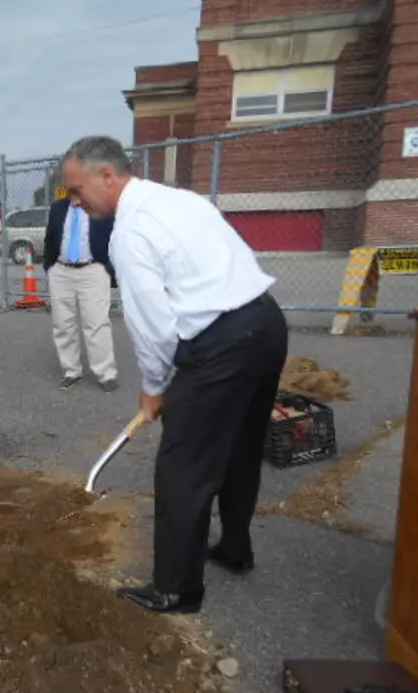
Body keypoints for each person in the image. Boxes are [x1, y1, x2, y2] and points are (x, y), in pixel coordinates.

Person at [60, 136, 288, 615]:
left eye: (77, 190)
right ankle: (234, 549)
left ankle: (176, 589)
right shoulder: (181, 199)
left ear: (107, 175)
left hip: (220, 344)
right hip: (266, 324)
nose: (74, 202)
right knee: (240, 449)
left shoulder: (130, 232)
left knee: (183, 467)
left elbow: (155, 328)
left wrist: (154, 390)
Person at [42, 194, 119, 392]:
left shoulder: (102, 206)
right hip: (61, 271)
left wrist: (109, 268)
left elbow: (116, 237)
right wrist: (49, 268)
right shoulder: (58, 208)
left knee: (96, 323)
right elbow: (50, 238)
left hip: (93, 271)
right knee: (62, 323)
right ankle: (71, 371)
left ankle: (105, 374)